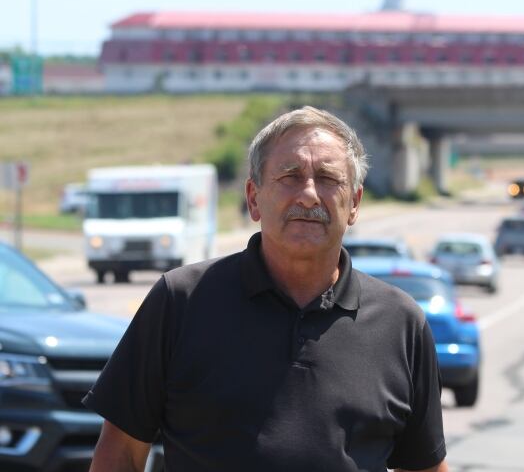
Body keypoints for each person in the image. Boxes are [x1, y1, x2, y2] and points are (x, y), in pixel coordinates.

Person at [84, 106, 449, 472]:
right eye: (290, 176)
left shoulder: (401, 323)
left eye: (327, 178)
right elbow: (120, 455)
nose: (308, 195)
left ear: (354, 203)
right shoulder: (180, 300)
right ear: (254, 198)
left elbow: (425, 468)